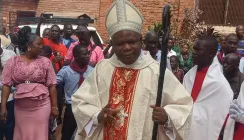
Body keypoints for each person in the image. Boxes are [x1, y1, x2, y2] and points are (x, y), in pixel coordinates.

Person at [71, 0, 193, 139]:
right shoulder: (102, 69)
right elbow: (80, 102)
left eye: (132, 42)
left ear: (141, 41)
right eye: (120, 43)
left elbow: (184, 107)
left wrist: (167, 117)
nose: (127, 47)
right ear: (112, 45)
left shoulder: (157, 72)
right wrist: (97, 115)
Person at [0, 30, 58, 140]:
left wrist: (55, 107)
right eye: (38, 44)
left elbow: (52, 85)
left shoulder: (45, 62)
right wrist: (3, 107)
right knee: (22, 134)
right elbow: (6, 85)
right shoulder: (13, 61)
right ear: (29, 46)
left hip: (42, 106)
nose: (41, 47)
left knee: (40, 135)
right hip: (21, 108)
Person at [183, 35, 233, 140]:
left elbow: (222, 118)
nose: (194, 52)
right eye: (194, 48)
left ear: (211, 53)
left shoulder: (220, 84)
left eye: (198, 49)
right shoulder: (188, 76)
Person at [57, 44, 93, 140]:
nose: (88, 56)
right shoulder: (66, 71)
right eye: (84, 54)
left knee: (86, 134)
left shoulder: (91, 71)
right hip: (72, 108)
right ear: (76, 56)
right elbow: (53, 83)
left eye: (88, 54)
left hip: (87, 107)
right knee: (67, 134)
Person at [0, 33, 16, 140]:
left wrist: (1, 67)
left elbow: (16, 74)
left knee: (9, 125)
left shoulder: (10, 54)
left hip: (10, 96)